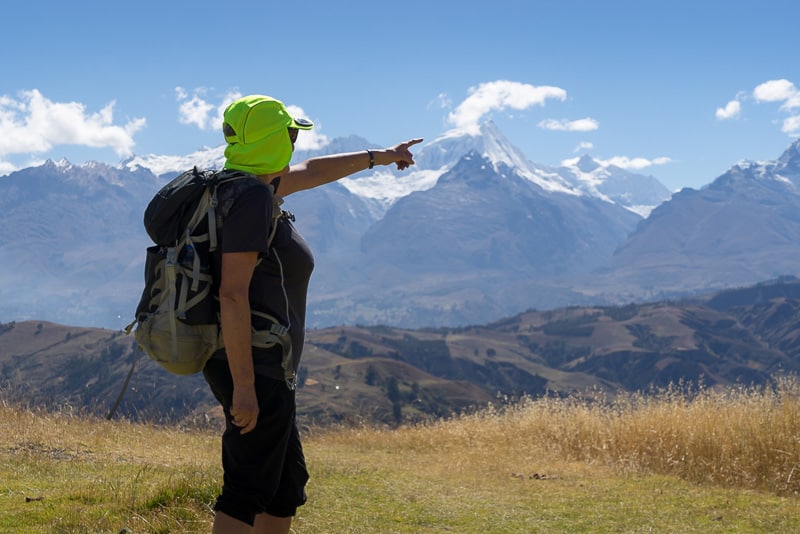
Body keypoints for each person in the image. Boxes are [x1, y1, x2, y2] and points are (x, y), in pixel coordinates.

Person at [201, 94, 422, 533]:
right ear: (273, 139)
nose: (295, 143)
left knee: (284, 485)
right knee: (246, 488)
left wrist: (382, 156)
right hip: (255, 366)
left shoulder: (242, 185)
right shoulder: (250, 201)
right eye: (289, 133)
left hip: (263, 364)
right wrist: (245, 388)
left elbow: (314, 171)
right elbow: (232, 294)